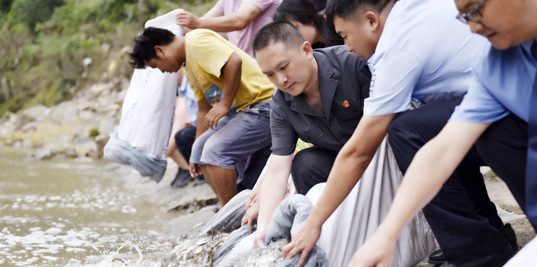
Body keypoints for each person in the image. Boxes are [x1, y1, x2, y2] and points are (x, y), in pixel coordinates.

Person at [345, 0, 537, 267]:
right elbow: (442, 149)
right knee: (495, 132)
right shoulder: (497, 65)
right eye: (464, 17)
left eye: (475, 11)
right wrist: (386, 234)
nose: (472, 27)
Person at [281, 0, 517, 267]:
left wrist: (314, 224)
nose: (346, 46)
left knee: (406, 130)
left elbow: (358, 152)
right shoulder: (411, 9)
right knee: (427, 123)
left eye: (344, 36)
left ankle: (474, 247)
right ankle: (485, 231)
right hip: (500, 97)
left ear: (370, 21)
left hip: (511, 114)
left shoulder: (394, 48)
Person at [249, 21, 370, 247]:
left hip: (379, 158)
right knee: (305, 163)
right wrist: (265, 227)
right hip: (340, 169)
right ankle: (331, 237)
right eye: (270, 75)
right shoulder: (280, 103)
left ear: (306, 50)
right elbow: (277, 169)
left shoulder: (352, 64)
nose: (281, 80)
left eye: (283, 67)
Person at [129, 27, 275, 206]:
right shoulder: (189, 66)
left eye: (155, 65)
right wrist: (194, 151)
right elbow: (203, 109)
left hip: (263, 105)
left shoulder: (196, 41)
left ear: (159, 50)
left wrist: (224, 104)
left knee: (215, 151)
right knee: (200, 150)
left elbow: (234, 62)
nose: (161, 71)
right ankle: (225, 205)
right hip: (243, 112)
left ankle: (231, 214)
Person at [175, 0, 279, 56]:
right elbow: (198, 24)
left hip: (268, 63)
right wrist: (170, 31)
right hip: (247, 66)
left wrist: (198, 23)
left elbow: (240, 20)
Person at [273, 0, 343, 48]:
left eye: (295, 29)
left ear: (307, 18)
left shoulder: (338, 22)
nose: (293, 38)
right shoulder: (315, 51)